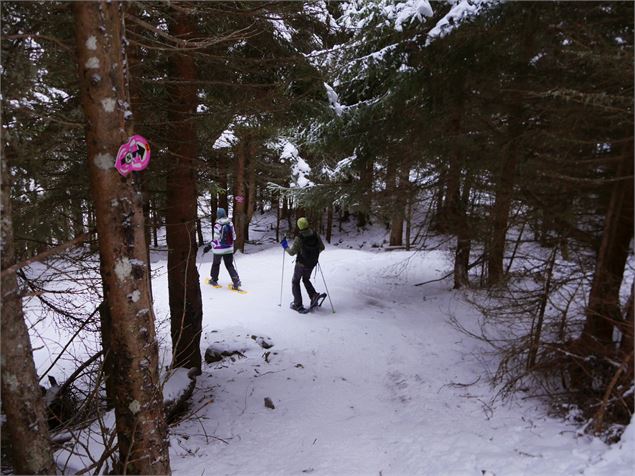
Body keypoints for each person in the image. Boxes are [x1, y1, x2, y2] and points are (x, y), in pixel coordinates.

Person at [281, 217, 326, 313]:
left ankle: (297, 304)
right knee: (306, 279)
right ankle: (313, 295)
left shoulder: (299, 238)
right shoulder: (315, 234)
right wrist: (313, 254)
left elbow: (292, 252)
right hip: (312, 263)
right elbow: (322, 247)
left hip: (301, 264)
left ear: (299, 226)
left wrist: (285, 246)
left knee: (295, 281)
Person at [203, 208, 241, 289]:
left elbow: (216, 239)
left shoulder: (217, 225)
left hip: (218, 250)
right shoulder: (230, 223)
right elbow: (234, 237)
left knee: (216, 264)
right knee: (229, 265)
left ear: (218, 215)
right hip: (229, 248)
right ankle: (236, 280)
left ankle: (214, 280)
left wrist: (209, 246)